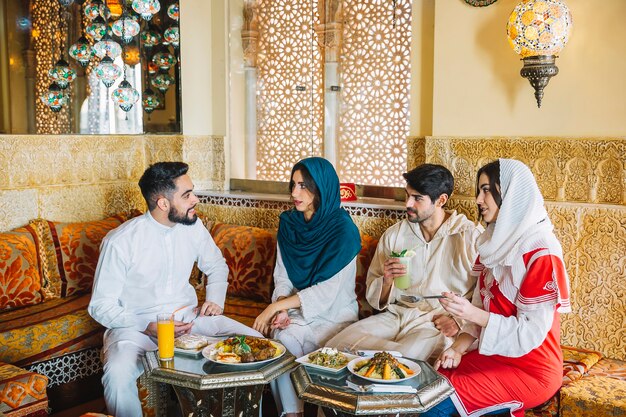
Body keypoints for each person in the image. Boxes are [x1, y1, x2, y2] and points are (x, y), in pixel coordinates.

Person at [88, 162, 261, 417]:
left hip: (190, 320)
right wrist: (144, 325)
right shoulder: (120, 242)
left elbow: (216, 265)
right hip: (135, 331)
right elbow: (100, 306)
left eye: (192, 191)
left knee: (259, 345)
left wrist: (214, 301)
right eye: (187, 195)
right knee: (116, 375)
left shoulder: (193, 227)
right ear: (163, 203)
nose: (196, 199)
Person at [425, 159, 571, 417]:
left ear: (512, 193)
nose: (479, 200)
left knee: (436, 403)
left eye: (486, 190)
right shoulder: (494, 243)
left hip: (532, 369)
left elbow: (528, 334)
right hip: (493, 354)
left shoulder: (541, 252)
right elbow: (483, 306)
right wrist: (457, 348)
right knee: (429, 383)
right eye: (479, 191)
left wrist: (468, 313)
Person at [326, 164, 482, 363]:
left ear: (441, 200)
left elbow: (484, 294)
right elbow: (375, 298)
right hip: (396, 314)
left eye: (417, 198)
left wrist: (459, 321)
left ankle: (389, 368)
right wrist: (387, 281)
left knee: (406, 359)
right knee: (336, 346)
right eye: (407, 195)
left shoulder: (469, 237)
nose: (408, 203)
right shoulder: (395, 235)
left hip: (435, 321)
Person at [252, 157, 361, 417]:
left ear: (321, 187)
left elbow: (327, 293)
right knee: (282, 339)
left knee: (322, 349)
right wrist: (281, 309)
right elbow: (283, 275)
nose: (294, 193)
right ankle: (292, 413)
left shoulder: (343, 231)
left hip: (335, 315)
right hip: (298, 312)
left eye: (303, 186)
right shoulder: (290, 224)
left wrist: (277, 306)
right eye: (293, 185)